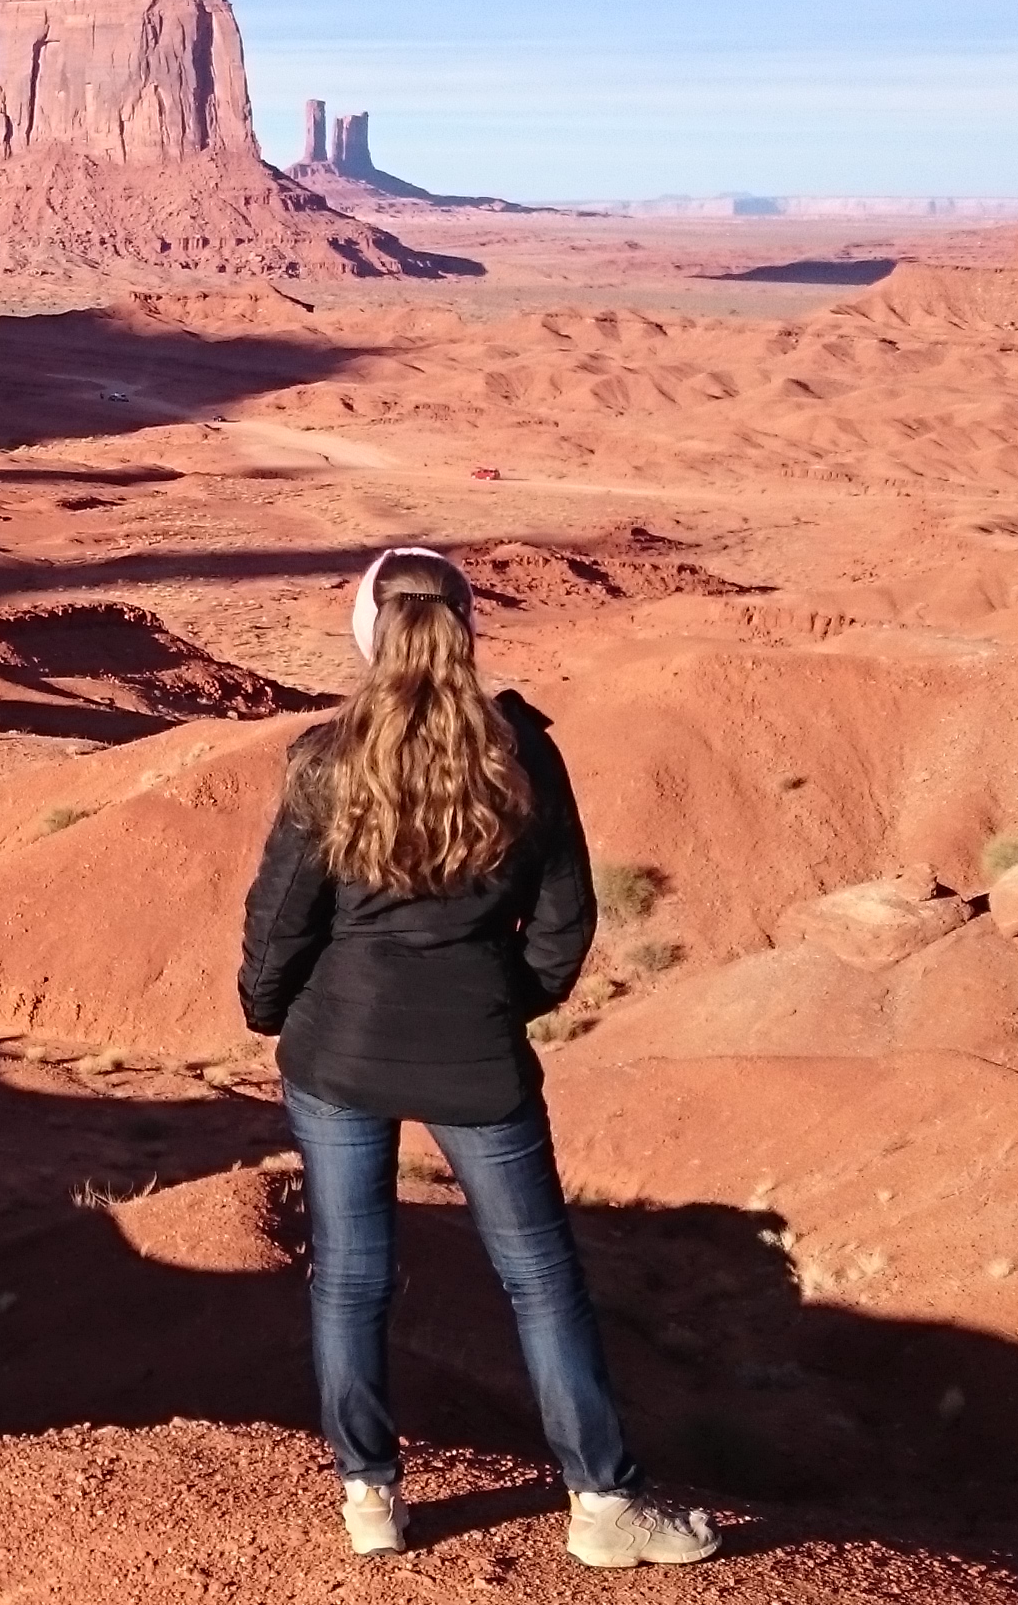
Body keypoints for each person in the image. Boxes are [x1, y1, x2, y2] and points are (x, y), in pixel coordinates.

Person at [237, 547, 718, 1568]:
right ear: (468, 629)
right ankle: (601, 1504)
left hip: (340, 1049)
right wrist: (507, 1002)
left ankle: (370, 1498)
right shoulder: (521, 758)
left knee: (353, 1280)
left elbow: (281, 919)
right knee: (540, 1280)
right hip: (476, 1059)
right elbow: (565, 921)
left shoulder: (325, 760)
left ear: (369, 634)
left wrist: (271, 1012)